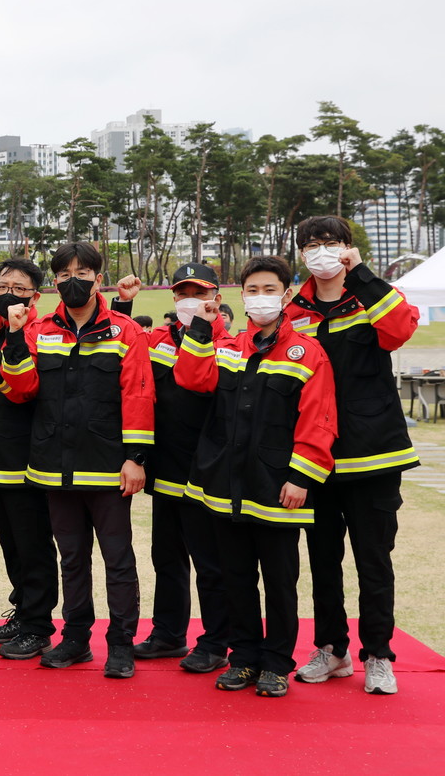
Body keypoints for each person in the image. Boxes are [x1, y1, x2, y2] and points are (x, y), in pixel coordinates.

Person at [174, 255, 336, 698]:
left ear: (286, 294)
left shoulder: (306, 352)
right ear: (239, 296)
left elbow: (318, 420)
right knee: (236, 577)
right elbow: (190, 378)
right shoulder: (226, 345)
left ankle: (277, 662)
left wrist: (302, 477)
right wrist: (203, 329)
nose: (260, 298)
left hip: (277, 487)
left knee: (280, 580)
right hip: (225, 488)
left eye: (269, 290)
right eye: (252, 290)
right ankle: (244, 657)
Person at [0, 241, 153, 680]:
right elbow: (22, 389)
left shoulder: (125, 331)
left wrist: (136, 459)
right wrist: (12, 336)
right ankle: (76, 638)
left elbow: (139, 395)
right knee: (71, 559)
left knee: (118, 559)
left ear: (98, 279)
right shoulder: (39, 328)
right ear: (55, 282)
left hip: (108, 468)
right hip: (53, 466)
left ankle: (121, 644)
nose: (73, 281)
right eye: (64, 274)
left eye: (82, 273)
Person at [288, 216, 419, 695]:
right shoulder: (294, 311)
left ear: (348, 247)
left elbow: (400, 329)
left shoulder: (372, 296)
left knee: (373, 561)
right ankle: (332, 649)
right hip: (316, 463)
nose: (320, 251)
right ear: (301, 253)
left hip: (374, 457)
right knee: (323, 561)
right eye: (311, 245)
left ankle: (379, 655)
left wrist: (361, 273)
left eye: (330, 242)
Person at [131, 263, 232, 674]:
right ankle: (169, 634)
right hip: (167, 466)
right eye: (182, 293)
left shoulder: (232, 343)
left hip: (207, 471)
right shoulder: (158, 339)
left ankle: (215, 642)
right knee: (166, 558)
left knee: (210, 564)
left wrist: (203, 333)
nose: (190, 299)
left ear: (217, 299)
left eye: (199, 292)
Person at [0, 259, 60, 660]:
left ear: (35, 297)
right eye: (2, 285)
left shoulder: (40, 334)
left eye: (19, 288)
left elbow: (22, 389)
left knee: (33, 543)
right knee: (11, 542)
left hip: (30, 456)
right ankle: (23, 609)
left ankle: (39, 625)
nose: (9, 292)